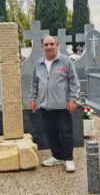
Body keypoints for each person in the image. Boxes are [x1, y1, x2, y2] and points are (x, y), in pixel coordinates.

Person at [29, 35, 80, 172]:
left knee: (66, 133)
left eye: (52, 44)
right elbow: (34, 83)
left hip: (62, 105)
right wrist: (33, 99)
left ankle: (68, 159)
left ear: (57, 45)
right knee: (50, 133)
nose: (49, 47)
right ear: (42, 47)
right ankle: (57, 156)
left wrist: (73, 100)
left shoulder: (65, 61)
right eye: (46, 45)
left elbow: (74, 82)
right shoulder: (39, 64)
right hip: (45, 106)